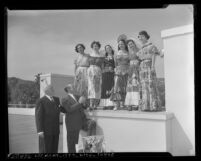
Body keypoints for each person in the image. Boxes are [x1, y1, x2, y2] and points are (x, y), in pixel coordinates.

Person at [35, 84, 65, 153]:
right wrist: (40, 131)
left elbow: (62, 109)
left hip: (55, 130)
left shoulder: (56, 99)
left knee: (54, 149)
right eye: (52, 89)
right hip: (46, 131)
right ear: (48, 91)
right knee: (45, 150)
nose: (54, 90)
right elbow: (38, 117)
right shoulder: (41, 101)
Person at [137, 30, 161, 111]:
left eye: (140, 36)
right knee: (144, 86)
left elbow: (154, 55)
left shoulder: (151, 46)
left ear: (145, 36)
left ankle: (153, 105)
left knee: (151, 84)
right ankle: (145, 106)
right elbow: (139, 58)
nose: (139, 38)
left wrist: (153, 66)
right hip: (142, 67)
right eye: (139, 37)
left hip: (148, 65)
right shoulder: (140, 48)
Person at [61, 84, 87, 153]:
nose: (74, 87)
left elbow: (83, 106)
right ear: (68, 89)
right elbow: (69, 109)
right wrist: (79, 102)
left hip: (81, 122)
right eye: (72, 87)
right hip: (72, 124)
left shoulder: (77, 96)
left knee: (80, 144)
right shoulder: (64, 99)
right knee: (71, 145)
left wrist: (84, 104)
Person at [110, 37, 130, 110]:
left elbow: (129, 62)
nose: (121, 45)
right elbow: (115, 63)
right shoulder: (116, 53)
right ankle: (116, 104)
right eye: (119, 44)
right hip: (118, 70)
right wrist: (116, 69)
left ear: (125, 45)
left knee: (125, 87)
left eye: (122, 44)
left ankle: (123, 104)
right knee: (117, 86)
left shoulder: (128, 53)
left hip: (127, 70)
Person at [87, 41, 104, 110]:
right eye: (94, 46)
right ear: (92, 47)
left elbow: (102, 66)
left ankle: (96, 105)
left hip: (98, 71)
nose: (95, 47)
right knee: (91, 87)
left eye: (96, 46)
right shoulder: (89, 55)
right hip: (91, 70)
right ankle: (91, 104)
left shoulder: (101, 56)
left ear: (99, 47)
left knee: (97, 87)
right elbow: (87, 64)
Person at [124, 39, 140, 111]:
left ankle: (137, 103)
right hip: (130, 70)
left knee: (136, 85)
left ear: (134, 43)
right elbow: (127, 62)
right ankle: (130, 103)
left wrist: (137, 64)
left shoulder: (139, 50)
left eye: (131, 43)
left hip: (137, 69)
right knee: (130, 87)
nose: (130, 45)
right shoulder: (128, 53)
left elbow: (141, 59)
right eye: (129, 44)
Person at [99, 45, 115, 110]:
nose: (108, 49)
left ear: (111, 48)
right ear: (105, 50)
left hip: (112, 74)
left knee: (111, 87)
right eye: (106, 48)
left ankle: (111, 104)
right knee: (104, 88)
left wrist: (113, 69)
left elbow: (116, 65)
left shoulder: (114, 56)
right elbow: (102, 67)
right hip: (105, 74)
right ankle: (104, 104)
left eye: (109, 48)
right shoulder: (103, 58)